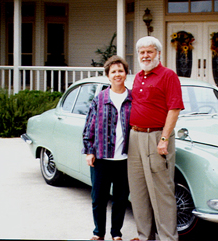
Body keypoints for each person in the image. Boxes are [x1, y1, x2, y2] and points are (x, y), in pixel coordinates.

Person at [128, 36, 184, 241]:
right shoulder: (138, 77)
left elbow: (174, 108)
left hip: (156, 137)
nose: (145, 55)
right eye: (142, 52)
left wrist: (164, 139)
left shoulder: (168, 76)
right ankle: (145, 237)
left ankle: (168, 238)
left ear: (158, 54)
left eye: (149, 51)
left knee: (162, 193)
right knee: (138, 191)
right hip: (135, 136)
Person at [82, 55, 132, 240]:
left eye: (121, 71)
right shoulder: (100, 98)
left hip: (125, 159)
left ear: (126, 74)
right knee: (98, 199)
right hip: (101, 158)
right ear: (108, 76)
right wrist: (89, 150)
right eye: (113, 72)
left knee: (120, 199)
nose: (117, 74)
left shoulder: (133, 98)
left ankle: (116, 233)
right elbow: (89, 126)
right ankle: (98, 233)